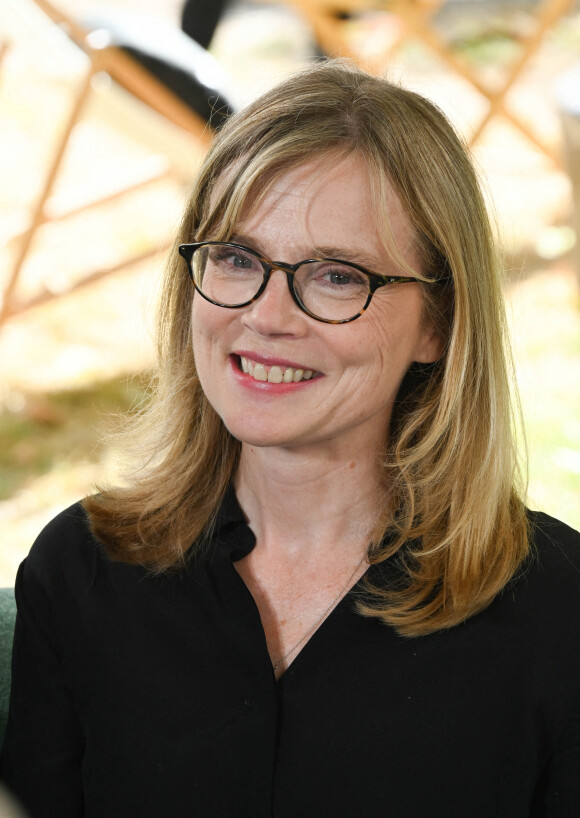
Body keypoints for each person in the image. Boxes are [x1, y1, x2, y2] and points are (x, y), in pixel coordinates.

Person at [1, 61, 579, 817]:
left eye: (337, 275)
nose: (268, 315)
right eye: (237, 259)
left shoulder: (557, 618)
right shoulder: (81, 576)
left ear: (438, 323)